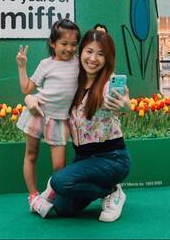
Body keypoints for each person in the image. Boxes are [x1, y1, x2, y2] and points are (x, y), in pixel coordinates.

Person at [29, 30, 131, 222]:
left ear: (107, 58)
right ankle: (107, 189)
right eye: (89, 51)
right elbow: (47, 94)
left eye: (101, 54)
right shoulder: (74, 81)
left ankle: (111, 191)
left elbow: (125, 103)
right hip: (83, 159)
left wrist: (124, 104)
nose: (93, 59)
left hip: (112, 158)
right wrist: (29, 98)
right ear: (80, 52)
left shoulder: (108, 83)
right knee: (63, 208)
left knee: (59, 181)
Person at [15, 19, 81, 211]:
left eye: (73, 44)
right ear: (52, 43)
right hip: (38, 114)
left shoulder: (80, 64)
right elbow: (26, 88)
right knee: (31, 155)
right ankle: (33, 196)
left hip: (60, 121)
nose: (69, 49)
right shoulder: (46, 64)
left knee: (60, 167)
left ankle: (51, 194)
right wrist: (21, 66)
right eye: (64, 44)